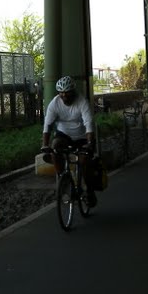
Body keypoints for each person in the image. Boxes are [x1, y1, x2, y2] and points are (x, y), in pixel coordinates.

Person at [40, 75, 97, 207]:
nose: (64, 96)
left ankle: (90, 190)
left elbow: (88, 123)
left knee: (84, 161)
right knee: (55, 147)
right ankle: (63, 180)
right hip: (64, 135)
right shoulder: (54, 104)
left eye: (67, 93)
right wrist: (44, 145)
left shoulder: (82, 102)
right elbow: (47, 125)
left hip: (81, 136)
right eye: (61, 93)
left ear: (73, 91)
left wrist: (89, 143)